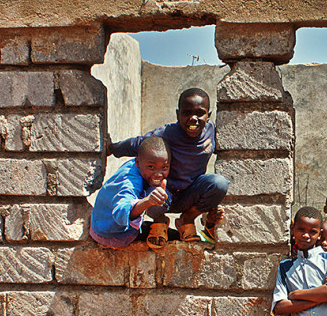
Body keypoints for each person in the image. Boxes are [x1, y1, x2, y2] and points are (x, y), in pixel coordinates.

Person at [108, 88, 227, 247]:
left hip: (190, 194)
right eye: (187, 113)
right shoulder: (167, 133)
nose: (193, 118)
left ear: (208, 115)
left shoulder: (212, 132)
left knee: (219, 183)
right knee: (150, 188)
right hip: (164, 193)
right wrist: (112, 148)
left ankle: (187, 219)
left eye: (200, 113)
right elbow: (138, 144)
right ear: (178, 114)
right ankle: (160, 221)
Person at [89, 136, 171, 249]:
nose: (158, 173)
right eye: (151, 167)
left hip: (103, 224)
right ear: (138, 162)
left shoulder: (138, 164)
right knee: (173, 236)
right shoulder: (130, 181)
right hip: (113, 235)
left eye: (164, 167)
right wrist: (148, 201)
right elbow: (121, 212)